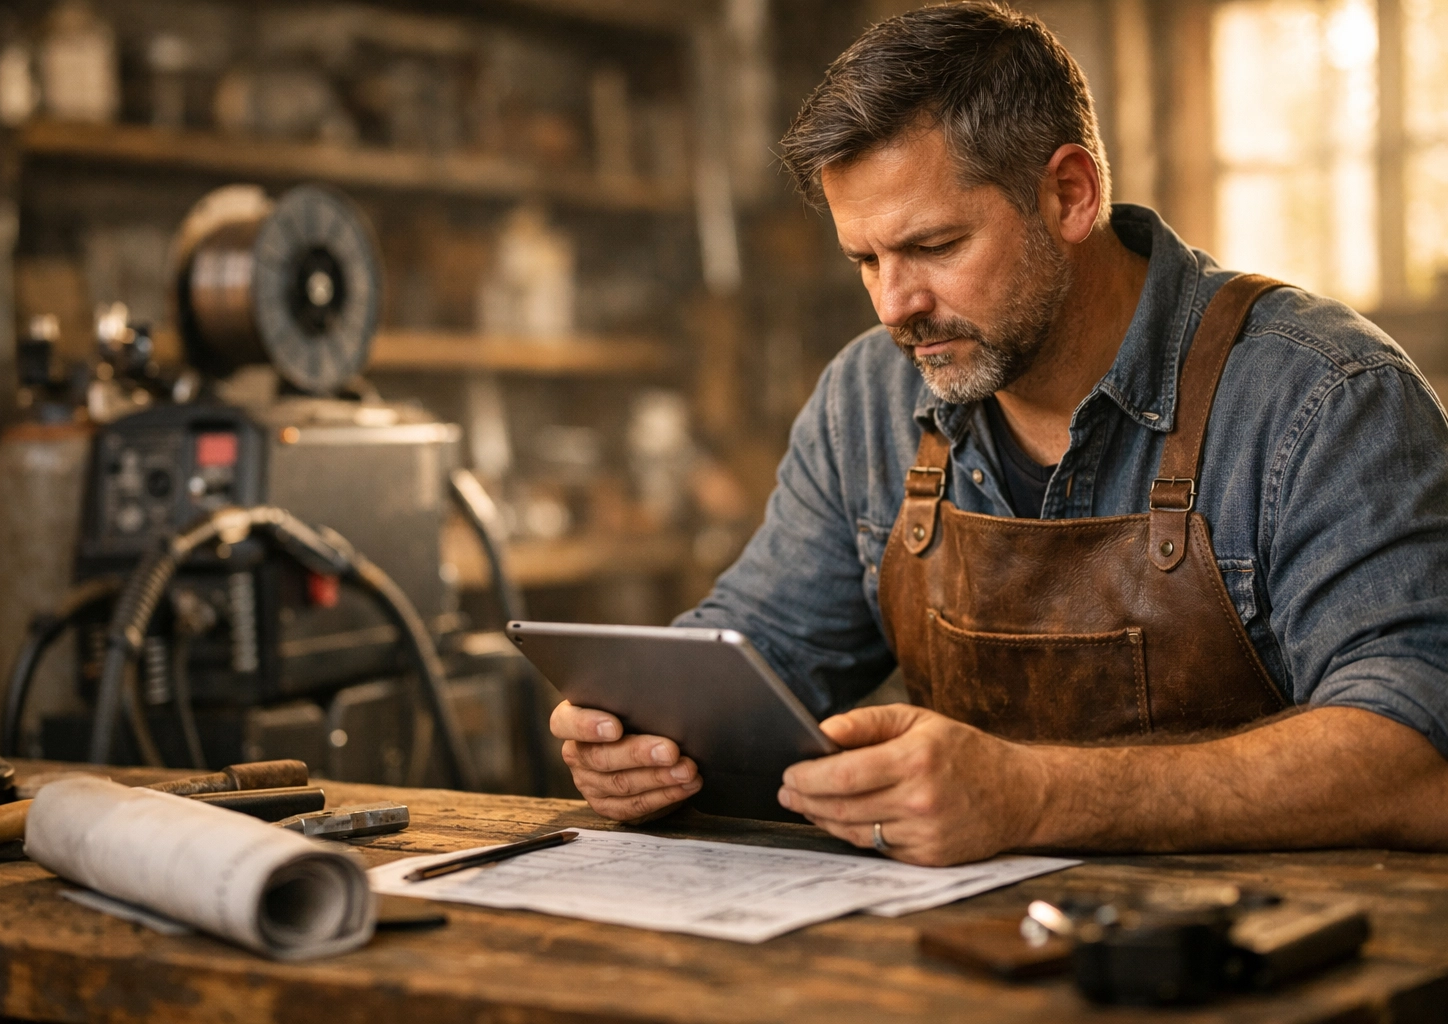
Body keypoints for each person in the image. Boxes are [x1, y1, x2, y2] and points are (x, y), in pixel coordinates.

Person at [550, 1, 1448, 864]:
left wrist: (1035, 797)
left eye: (935, 247)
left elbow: (1417, 757)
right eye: (866, 260)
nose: (896, 306)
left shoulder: (1324, 396)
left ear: (1069, 194)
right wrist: (639, 734)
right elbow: (756, 651)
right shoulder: (866, 398)